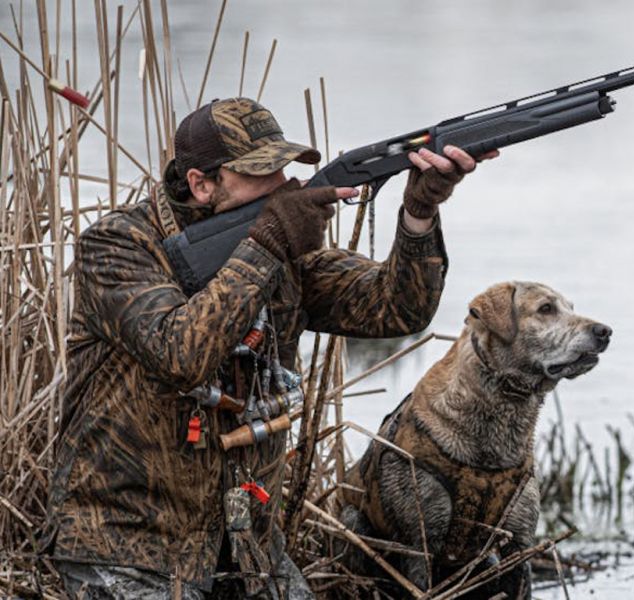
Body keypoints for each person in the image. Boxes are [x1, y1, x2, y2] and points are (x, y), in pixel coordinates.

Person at [44, 97, 497, 598]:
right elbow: (182, 355)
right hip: (129, 549)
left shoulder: (277, 248)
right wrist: (267, 243)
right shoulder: (117, 247)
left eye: (282, 167)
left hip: (247, 550)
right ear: (201, 184)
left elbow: (396, 309)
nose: (282, 187)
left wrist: (419, 212)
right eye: (260, 173)